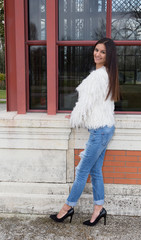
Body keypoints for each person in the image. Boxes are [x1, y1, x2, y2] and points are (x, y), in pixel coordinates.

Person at [50, 38, 120, 226]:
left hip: (100, 131)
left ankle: (67, 208)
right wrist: (76, 115)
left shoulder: (98, 76)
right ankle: (99, 209)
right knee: (95, 170)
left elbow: (84, 105)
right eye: (96, 50)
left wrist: (75, 117)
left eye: (103, 52)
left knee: (82, 171)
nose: (97, 54)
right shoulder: (106, 73)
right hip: (105, 128)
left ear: (109, 55)